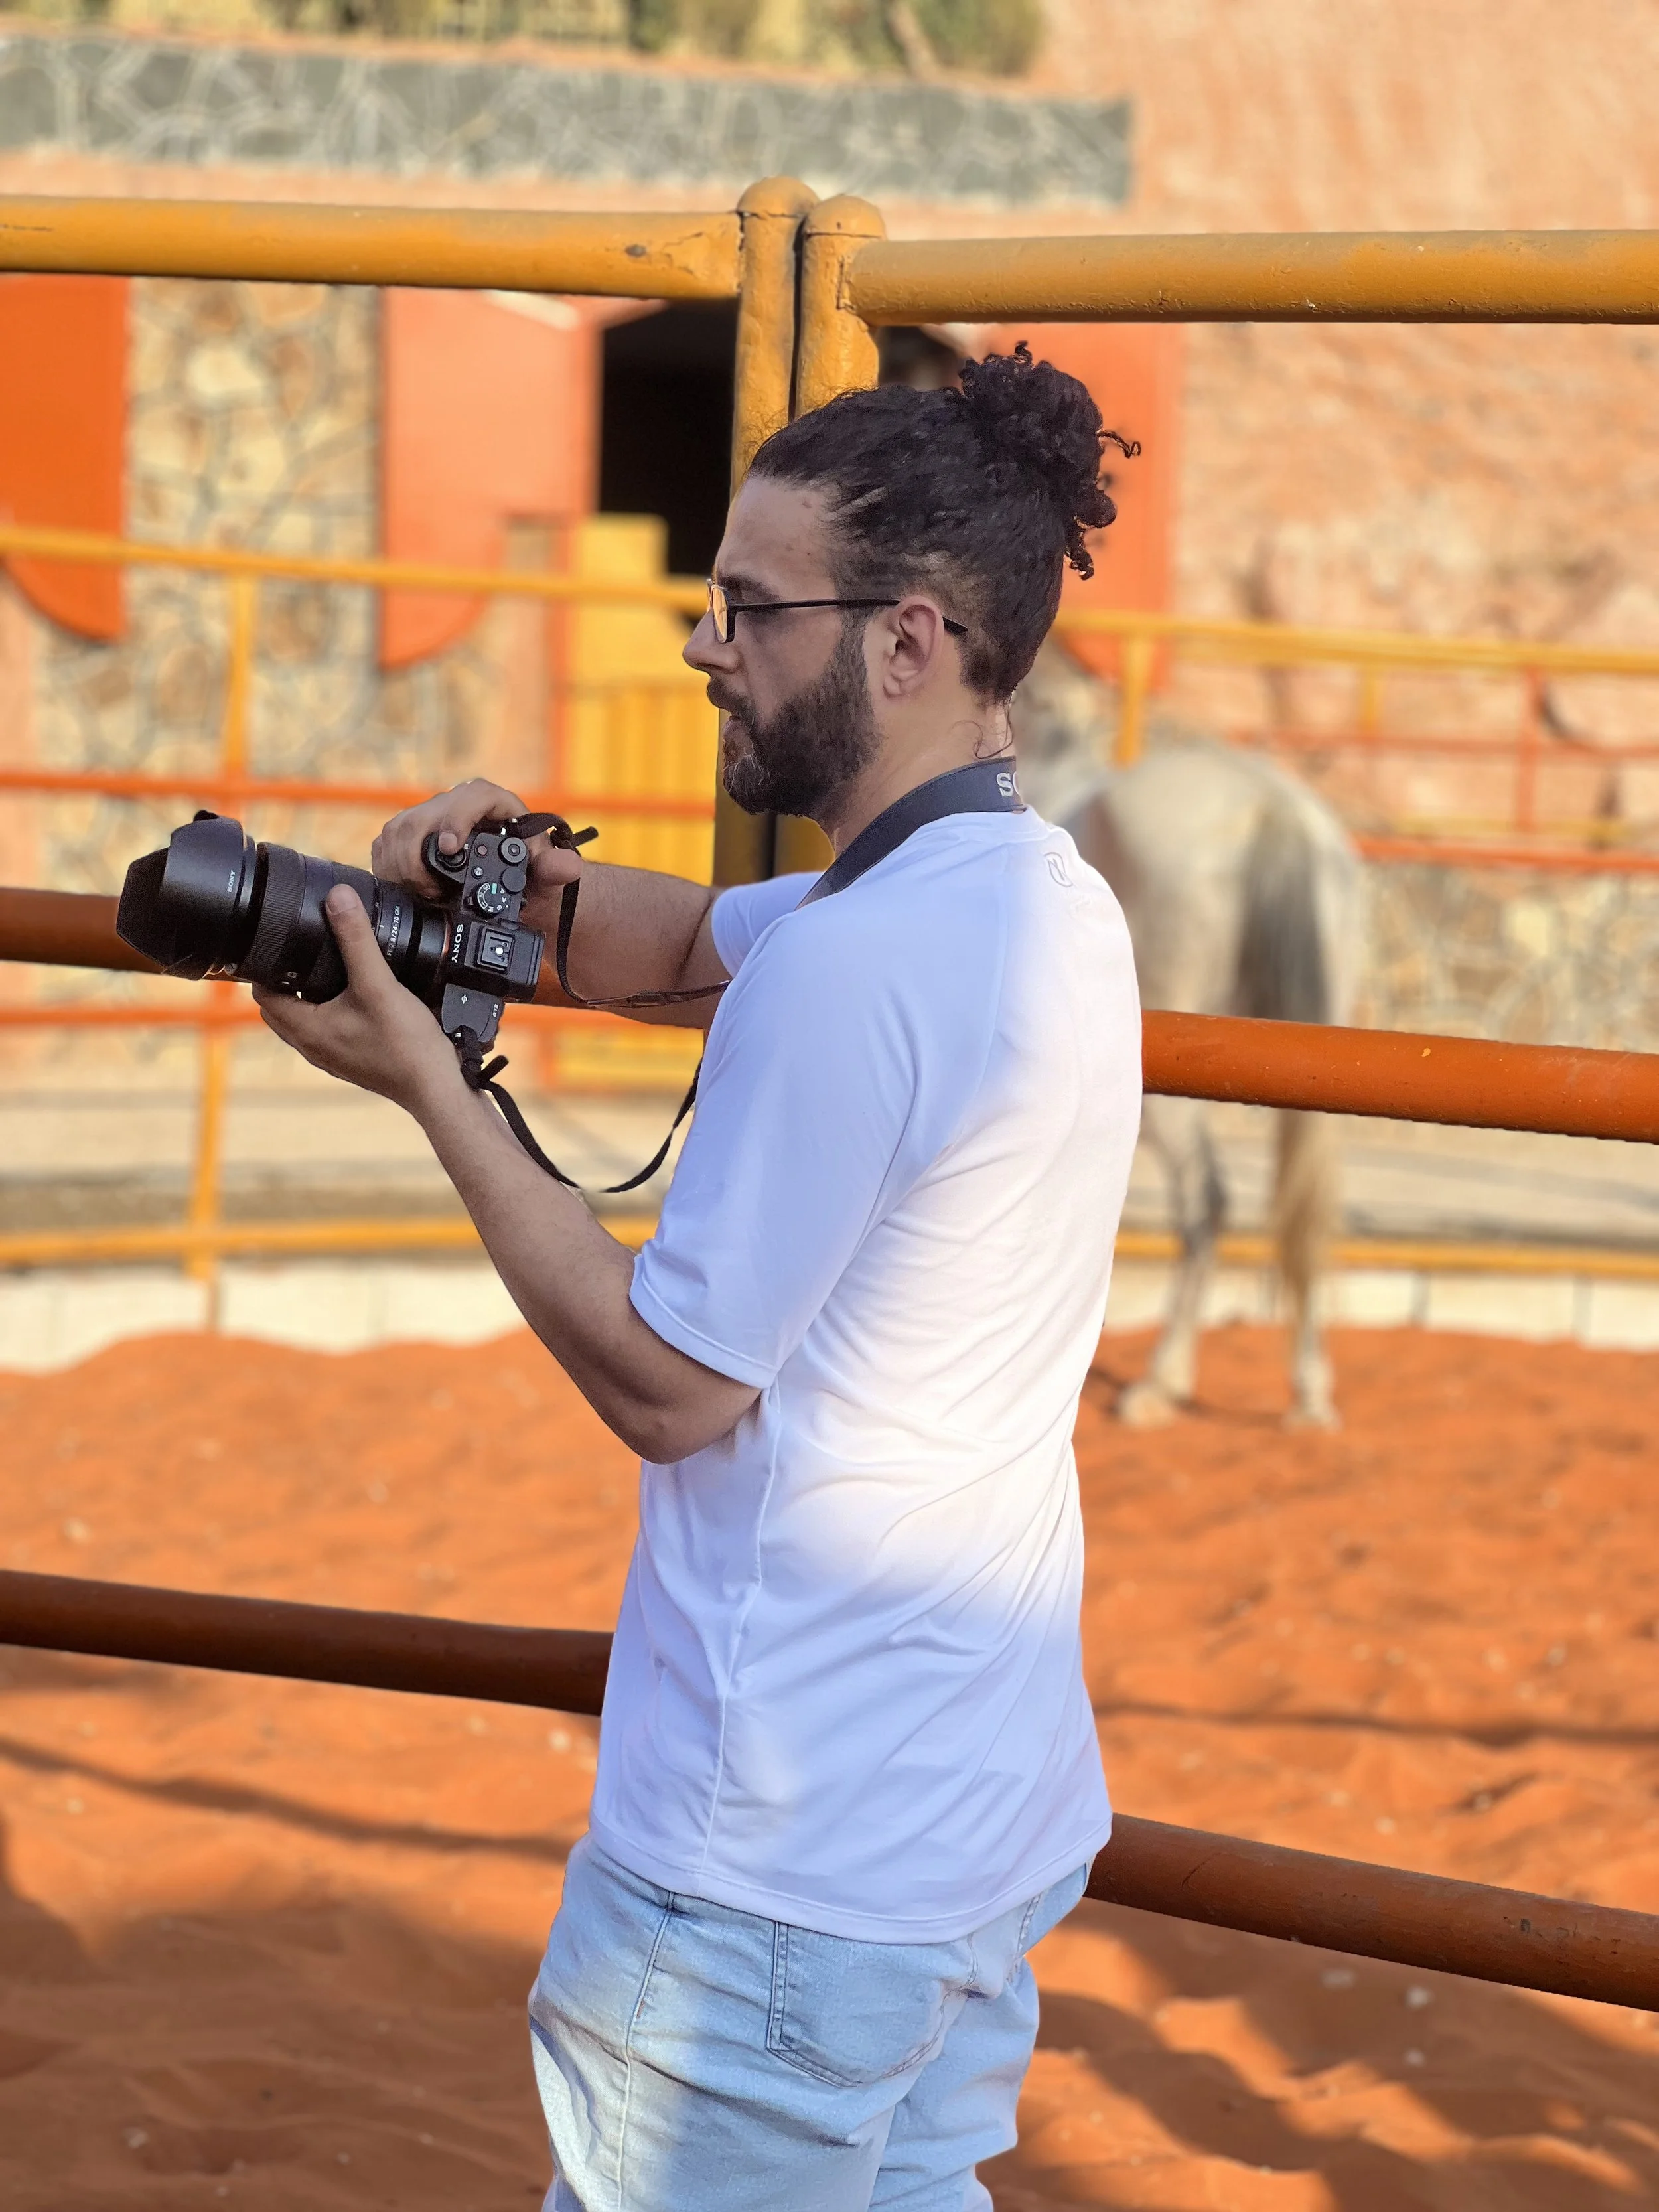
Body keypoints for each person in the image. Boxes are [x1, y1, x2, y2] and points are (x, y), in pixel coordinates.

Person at [254, 344, 1143, 2211]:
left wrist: (428, 1076)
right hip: (961, 1841)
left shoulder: (851, 966)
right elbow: (686, 943)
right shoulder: (1036, 903)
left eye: (746, 605)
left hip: (770, 1877)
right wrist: (491, 896)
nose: (702, 644)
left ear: (905, 640)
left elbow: (673, 1385)